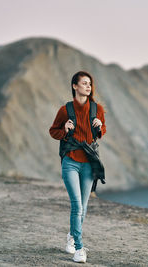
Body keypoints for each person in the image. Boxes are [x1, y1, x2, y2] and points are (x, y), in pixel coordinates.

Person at [49, 71, 106, 263]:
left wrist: (100, 126)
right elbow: (53, 131)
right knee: (77, 205)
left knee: (84, 206)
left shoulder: (97, 109)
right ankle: (79, 249)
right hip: (70, 161)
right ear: (75, 86)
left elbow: (100, 132)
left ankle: (72, 237)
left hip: (89, 163)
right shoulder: (65, 110)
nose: (88, 86)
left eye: (90, 83)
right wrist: (64, 129)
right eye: (84, 83)